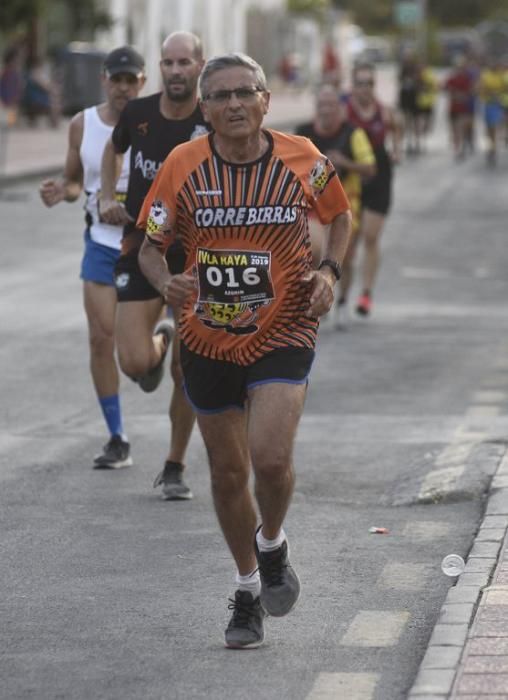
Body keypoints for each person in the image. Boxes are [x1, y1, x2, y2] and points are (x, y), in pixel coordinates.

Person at [137, 52, 352, 649]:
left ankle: (272, 538)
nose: (234, 104)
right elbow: (151, 245)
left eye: (245, 93)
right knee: (229, 472)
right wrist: (164, 283)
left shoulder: (303, 160)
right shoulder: (182, 165)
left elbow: (339, 216)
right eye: (221, 95)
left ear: (265, 101)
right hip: (207, 335)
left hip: (284, 326)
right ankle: (248, 585)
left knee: (271, 461)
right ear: (203, 109)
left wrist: (330, 273)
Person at [100, 31, 208, 500]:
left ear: (200, 65)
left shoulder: (213, 117)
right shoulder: (138, 113)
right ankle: (161, 341)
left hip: (197, 252)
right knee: (135, 363)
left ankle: (174, 465)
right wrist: (108, 195)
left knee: (189, 372)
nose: (176, 70)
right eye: (168, 62)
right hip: (143, 244)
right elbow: (113, 148)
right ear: (160, 68)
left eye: (185, 62)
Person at [39, 46, 146, 468]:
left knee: (136, 356)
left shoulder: (153, 124)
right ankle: (117, 436)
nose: (122, 87)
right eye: (116, 79)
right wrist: (58, 192)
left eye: (130, 80)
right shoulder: (82, 124)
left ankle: (155, 348)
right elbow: (72, 183)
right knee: (100, 340)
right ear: (105, 80)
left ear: (142, 83)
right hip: (101, 244)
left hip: (147, 248)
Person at [296, 84, 376, 326]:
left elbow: (370, 169)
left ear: (340, 109)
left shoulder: (353, 134)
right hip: (312, 207)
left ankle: (341, 301)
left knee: (346, 259)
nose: (326, 110)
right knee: (315, 251)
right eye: (322, 105)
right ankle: (316, 298)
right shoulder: (304, 134)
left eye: (331, 105)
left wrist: (344, 163)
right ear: (316, 108)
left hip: (346, 206)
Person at [343, 61, 401, 318]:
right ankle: (343, 294)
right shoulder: (344, 113)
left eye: (369, 83)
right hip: (352, 179)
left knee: (370, 236)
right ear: (352, 86)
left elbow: (397, 130)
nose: (364, 88)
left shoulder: (384, 112)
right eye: (359, 83)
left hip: (379, 177)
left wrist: (396, 150)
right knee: (349, 242)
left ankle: (366, 292)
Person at [443, 55, 476, 161]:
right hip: (453, 108)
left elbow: (472, 90)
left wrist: (463, 96)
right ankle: (458, 147)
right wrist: (453, 93)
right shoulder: (452, 78)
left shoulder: (467, 79)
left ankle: (461, 148)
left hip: (464, 108)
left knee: (460, 128)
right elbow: (444, 88)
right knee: (454, 130)